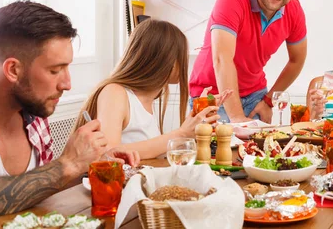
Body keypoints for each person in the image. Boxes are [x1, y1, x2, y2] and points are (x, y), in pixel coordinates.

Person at [0, 1, 139, 216]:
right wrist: (67, 164)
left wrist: (86, 163)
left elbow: (31, 191)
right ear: (13, 69)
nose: (67, 84)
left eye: (67, 67)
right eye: (55, 71)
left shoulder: (35, 118)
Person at [74, 19, 231, 160]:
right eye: (180, 57)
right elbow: (108, 154)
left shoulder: (149, 98)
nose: (184, 64)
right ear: (164, 60)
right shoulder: (114, 93)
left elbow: (152, 150)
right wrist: (181, 134)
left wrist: (197, 116)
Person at [189, 0, 308, 123]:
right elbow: (222, 59)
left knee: (261, 151)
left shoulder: (294, 10)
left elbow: (297, 60)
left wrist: (268, 101)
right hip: (213, 96)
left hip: (255, 97)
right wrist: (237, 117)